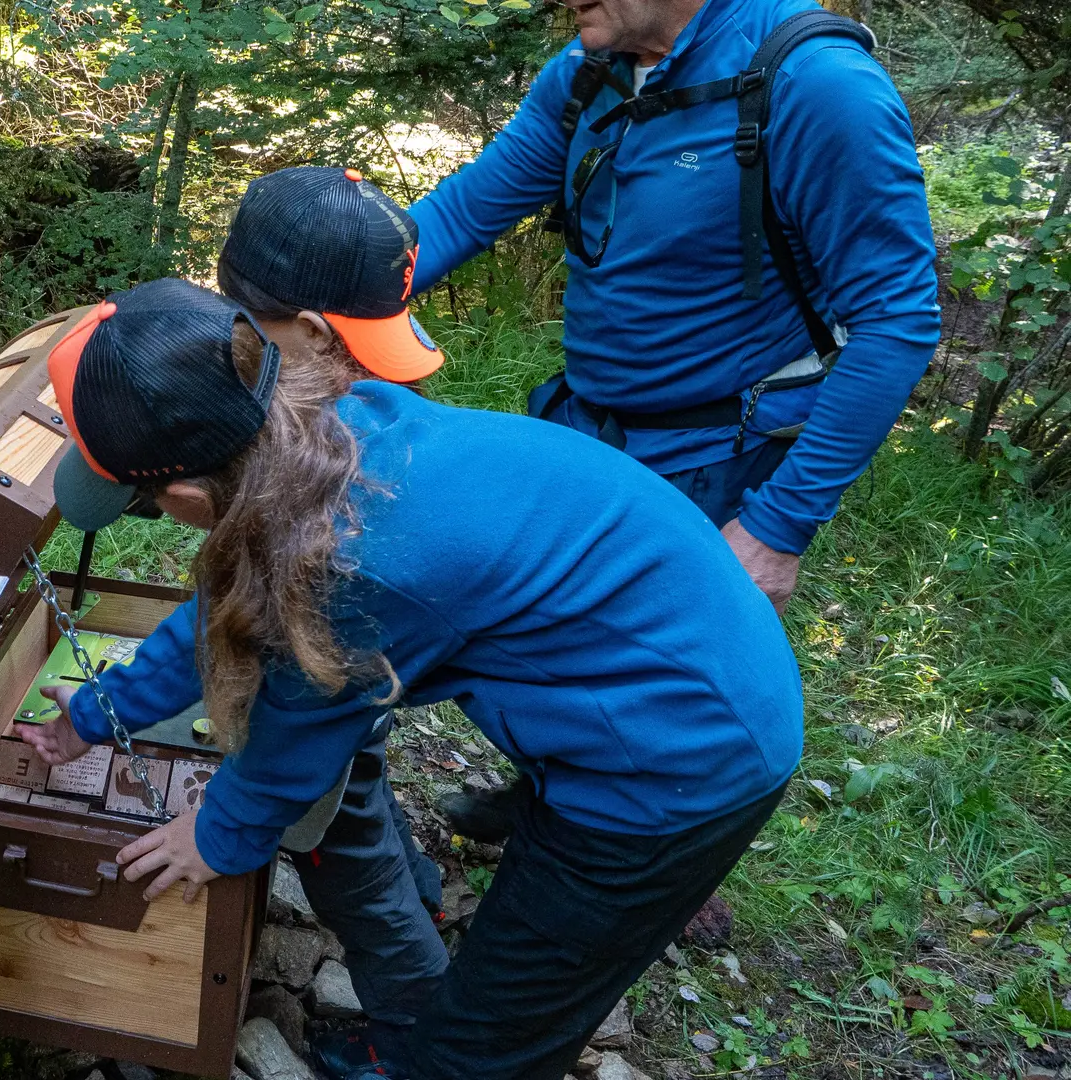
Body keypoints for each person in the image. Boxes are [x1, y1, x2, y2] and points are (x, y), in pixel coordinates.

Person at [18, 277, 803, 1080]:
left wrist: (216, 833)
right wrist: (98, 710)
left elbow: (296, 735)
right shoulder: (318, 431)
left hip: (683, 752)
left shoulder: (350, 561)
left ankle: (436, 1056)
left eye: (140, 502)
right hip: (676, 650)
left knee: (494, 1034)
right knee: (512, 951)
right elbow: (225, 607)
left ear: (184, 492)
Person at [402, 0, 939, 844]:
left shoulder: (815, 86)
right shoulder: (591, 69)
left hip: (718, 456)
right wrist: (323, 293)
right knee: (544, 642)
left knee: (665, 689)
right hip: (591, 428)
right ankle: (551, 789)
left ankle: (656, 865)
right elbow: (466, 213)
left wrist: (777, 526)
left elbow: (898, 320)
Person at [159, 164, 453, 1044]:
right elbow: (237, 595)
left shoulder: (341, 491)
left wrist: (222, 831)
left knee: (346, 857)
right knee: (362, 783)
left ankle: (416, 1036)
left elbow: (301, 707)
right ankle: (425, 892)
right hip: (373, 665)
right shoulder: (330, 403)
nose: (373, 371)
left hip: (356, 662)